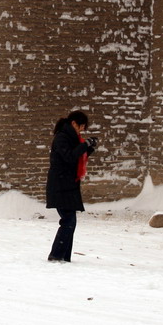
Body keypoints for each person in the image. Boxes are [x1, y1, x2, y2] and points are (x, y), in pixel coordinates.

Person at [45, 110, 97, 262]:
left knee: (70, 222)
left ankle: (63, 256)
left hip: (68, 186)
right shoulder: (62, 138)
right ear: (73, 123)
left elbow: (76, 156)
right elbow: (69, 157)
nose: (81, 130)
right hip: (60, 186)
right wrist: (84, 146)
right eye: (80, 127)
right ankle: (56, 255)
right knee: (68, 221)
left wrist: (89, 148)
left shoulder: (72, 138)